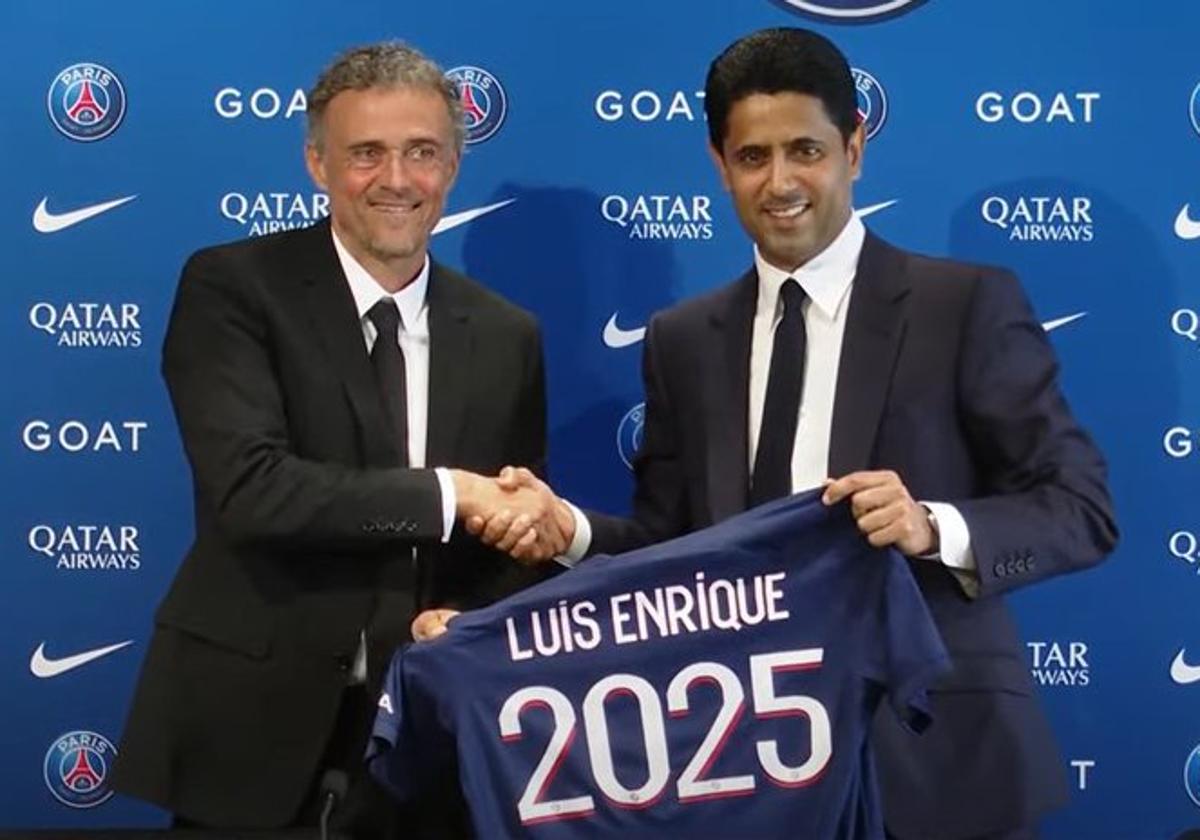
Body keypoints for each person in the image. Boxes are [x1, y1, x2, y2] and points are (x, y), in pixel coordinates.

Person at [465, 27, 1118, 840]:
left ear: (854, 147)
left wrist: (933, 527)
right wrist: (570, 530)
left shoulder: (965, 305)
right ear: (719, 165)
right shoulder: (683, 338)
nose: (780, 184)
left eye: (805, 150)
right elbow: (673, 549)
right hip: (741, 766)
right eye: (752, 157)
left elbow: (1080, 507)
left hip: (933, 764)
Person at [111, 42, 559, 837]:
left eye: (422, 152)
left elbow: (509, 538)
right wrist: (450, 493)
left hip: (429, 733)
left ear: (452, 167)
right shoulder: (232, 288)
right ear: (318, 164)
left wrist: (467, 616)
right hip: (254, 728)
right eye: (366, 154)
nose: (396, 179)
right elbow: (252, 489)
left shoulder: (506, 333)